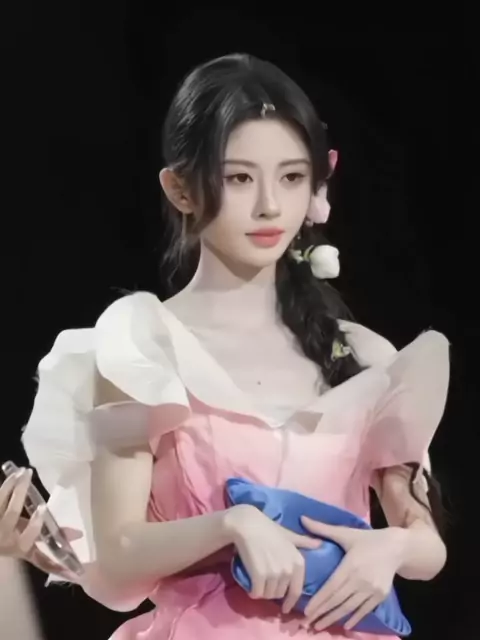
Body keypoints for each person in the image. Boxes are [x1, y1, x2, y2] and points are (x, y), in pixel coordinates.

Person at [7, 53, 450, 639]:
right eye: (239, 178)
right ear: (180, 188)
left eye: (291, 177)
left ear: (318, 184)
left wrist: (390, 548)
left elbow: (426, 544)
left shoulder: (360, 354)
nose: (270, 205)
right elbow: (118, 557)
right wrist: (230, 525)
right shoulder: (143, 344)